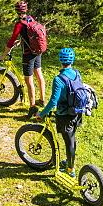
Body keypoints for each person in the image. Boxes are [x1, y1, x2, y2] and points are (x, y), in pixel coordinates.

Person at [36, 48, 82, 178]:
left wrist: (42, 113)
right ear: (72, 60)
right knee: (72, 139)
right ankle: (69, 162)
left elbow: (53, 102)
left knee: (69, 142)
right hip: (77, 112)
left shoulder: (58, 79)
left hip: (64, 115)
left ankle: (70, 170)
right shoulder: (77, 73)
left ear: (60, 60)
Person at [0, 0, 45, 118]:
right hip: (37, 51)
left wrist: (4, 55)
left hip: (28, 54)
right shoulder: (30, 19)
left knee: (28, 80)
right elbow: (29, 33)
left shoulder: (19, 24)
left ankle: (32, 107)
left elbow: (11, 40)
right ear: (26, 10)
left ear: (16, 11)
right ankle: (42, 99)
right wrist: (21, 40)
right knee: (39, 74)